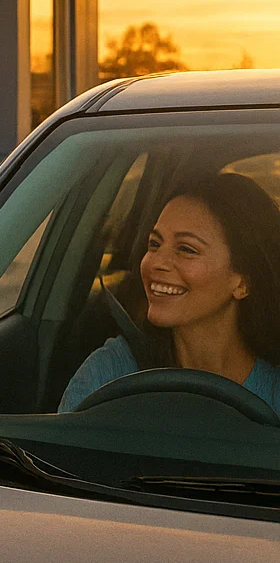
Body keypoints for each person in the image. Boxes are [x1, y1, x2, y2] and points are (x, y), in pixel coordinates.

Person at [60, 173, 280, 413]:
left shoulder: (274, 391)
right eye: (154, 244)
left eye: (186, 249)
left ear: (243, 283)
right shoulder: (108, 373)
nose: (155, 263)